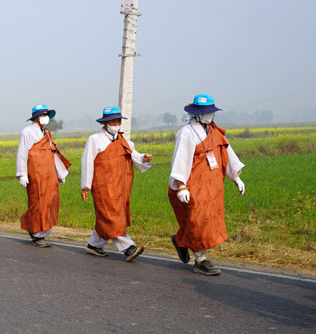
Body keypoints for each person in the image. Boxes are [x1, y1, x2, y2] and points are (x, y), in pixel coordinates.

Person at [168, 93, 245, 275]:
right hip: (193, 184)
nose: (208, 115)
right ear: (196, 113)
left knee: (209, 221)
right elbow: (180, 160)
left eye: (210, 111)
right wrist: (181, 185)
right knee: (198, 221)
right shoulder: (186, 133)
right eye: (205, 112)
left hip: (213, 185)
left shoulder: (216, 132)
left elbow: (227, 154)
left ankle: (180, 240)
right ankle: (201, 260)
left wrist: (236, 177)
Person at [80, 106, 151, 261]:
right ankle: (128, 247)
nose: (116, 123)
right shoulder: (95, 139)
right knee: (112, 215)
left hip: (120, 185)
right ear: (104, 123)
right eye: (113, 121)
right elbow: (87, 163)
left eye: (118, 120)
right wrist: (86, 186)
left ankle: (94, 244)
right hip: (103, 185)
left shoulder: (122, 140)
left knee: (110, 216)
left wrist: (144, 158)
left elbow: (134, 156)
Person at [16, 103, 71, 247]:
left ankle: (37, 230)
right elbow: (22, 153)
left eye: (47, 115)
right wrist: (22, 174)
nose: (46, 118)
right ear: (36, 117)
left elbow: (53, 154)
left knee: (50, 202)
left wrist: (60, 174)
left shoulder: (46, 133)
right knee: (37, 203)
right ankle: (37, 235)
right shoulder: (27, 132)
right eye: (43, 115)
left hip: (49, 174)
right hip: (35, 173)